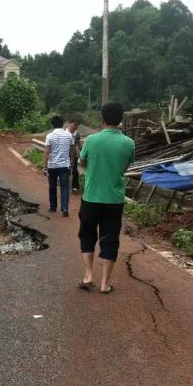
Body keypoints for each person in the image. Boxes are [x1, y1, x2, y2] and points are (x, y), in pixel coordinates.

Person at [77, 102, 135, 294]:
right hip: (114, 200)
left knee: (87, 234)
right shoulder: (128, 143)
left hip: (91, 197)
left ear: (102, 118)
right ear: (121, 120)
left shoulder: (91, 140)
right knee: (110, 239)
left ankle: (88, 275)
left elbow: (82, 162)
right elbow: (124, 168)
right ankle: (105, 284)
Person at [44, 115, 75, 217]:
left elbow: (47, 153)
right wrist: (71, 163)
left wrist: (45, 167)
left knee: (52, 187)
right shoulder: (69, 135)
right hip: (64, 166)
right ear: (62, 124)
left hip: (52, 166)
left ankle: (53, 207)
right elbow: (73, 151)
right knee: (65, 187)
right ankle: (65, 208)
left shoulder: (49, 136)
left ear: (52, 124)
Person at [68, 117, 83, 193]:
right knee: (66, 170)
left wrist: (82, 153)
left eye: (77, 125)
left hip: (74, 155)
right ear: (70, 123)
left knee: (75, 171)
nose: (75, 126)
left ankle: (75, 187)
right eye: (74, 124)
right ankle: (65, 185)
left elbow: (79, 144)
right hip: (66, 155)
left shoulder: (76, 133)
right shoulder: (65, 132)